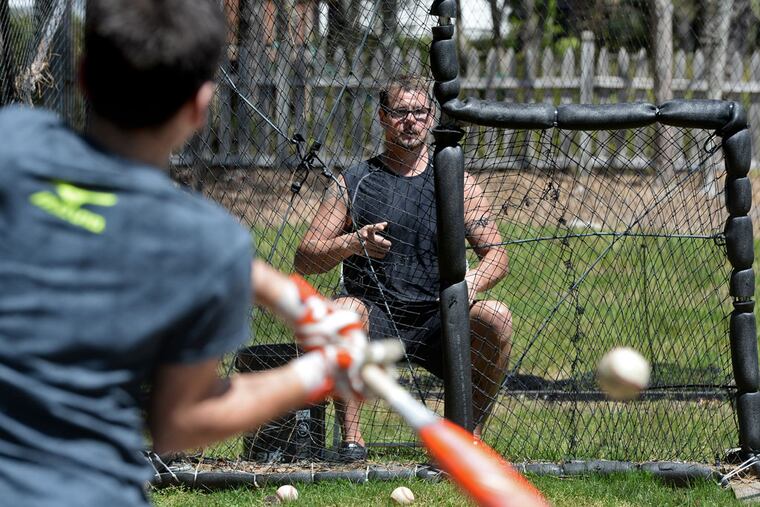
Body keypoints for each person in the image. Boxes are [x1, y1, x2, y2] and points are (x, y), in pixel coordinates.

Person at [0, 1, 370, 505]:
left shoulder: (14, 142)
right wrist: (315, 374)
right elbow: (182, 422)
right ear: (200, 106)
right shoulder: (206, 242)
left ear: (84, 75)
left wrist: (293, 300)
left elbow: (115, 224)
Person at [294, 75, 512, 461]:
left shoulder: (456, 181)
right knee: (343, 312)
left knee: (496, 316)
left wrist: (473, 281)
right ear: (382, 117)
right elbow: (305, 257)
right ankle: (351, 442)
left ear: (431, 118)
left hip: (439, 316)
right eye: (400, 113)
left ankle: (468, 437)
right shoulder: (355, 180)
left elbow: (497, 256)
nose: (410, 121)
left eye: (419, 112)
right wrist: (353, 241)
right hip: (374, 315)